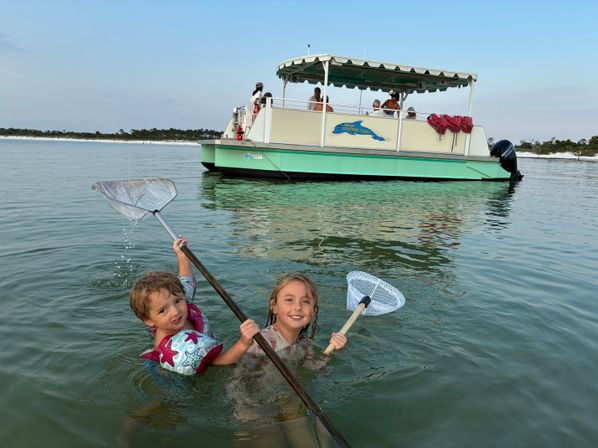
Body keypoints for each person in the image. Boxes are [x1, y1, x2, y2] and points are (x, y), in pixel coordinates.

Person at [129, 237, 259, 375]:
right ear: (148, 320)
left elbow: (186, 279)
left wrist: (181, 255)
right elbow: (217, 362)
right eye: (163, 310)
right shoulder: (177, 347)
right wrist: (244, 343)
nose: (175, 312)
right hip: (186, 359)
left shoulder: (181, 299)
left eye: (178, 301)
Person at [244, 272, 347, 356]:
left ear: (314, 310)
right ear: (274, 307)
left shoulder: (305, 344)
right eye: (289, 300)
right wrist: (242, 344)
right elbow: (228, 362)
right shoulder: (261, 342)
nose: (298, 307)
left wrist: (332, 351)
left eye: (306, 301)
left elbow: (316, 370)